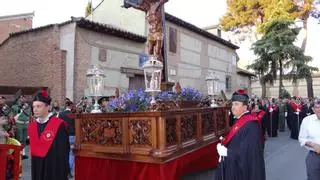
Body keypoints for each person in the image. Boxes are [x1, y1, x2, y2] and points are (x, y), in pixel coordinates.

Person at [215, 89, 266, 180]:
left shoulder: (251, 125)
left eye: (236, 104)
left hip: (241, 171)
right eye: (232, 104)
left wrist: (227, 152)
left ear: (245, 107)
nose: (233, 107)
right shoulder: (239, 119)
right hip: (234, 165)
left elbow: (248, 152)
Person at [28, 88, 70, 180]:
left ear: (48, 107)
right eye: (34, 107)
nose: (35, 109)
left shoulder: (58, 124)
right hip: (37, 164)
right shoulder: (32, 126)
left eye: (39, 106)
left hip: (53, 165)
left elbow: (63, 150)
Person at [298, 98, 320, 180]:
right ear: (313, 109)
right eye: (317, 107)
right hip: (314, 156)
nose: (319, 110)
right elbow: (301, 139)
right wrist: (312, 144)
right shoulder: (307, 120)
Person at [58, 100, 76, 178]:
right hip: (72, 135)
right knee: (71, 154)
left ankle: (64, 171)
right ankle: (69, 172)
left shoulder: (61, 114)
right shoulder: (74, 114)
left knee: (64, 154)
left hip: (64, 136)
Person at [11, 94, 31, 159]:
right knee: (19, 138)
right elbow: (12, 116)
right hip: (19, 124)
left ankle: (23, 153)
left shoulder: (28, 107)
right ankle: (18, 153)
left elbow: (29, 114)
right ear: (19, 98)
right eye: (22, 98)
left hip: (26, 124)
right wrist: (13, 125)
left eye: (25, 98)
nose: (24, 99)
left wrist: (24, 107)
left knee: (24, 139)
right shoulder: (14, 107)